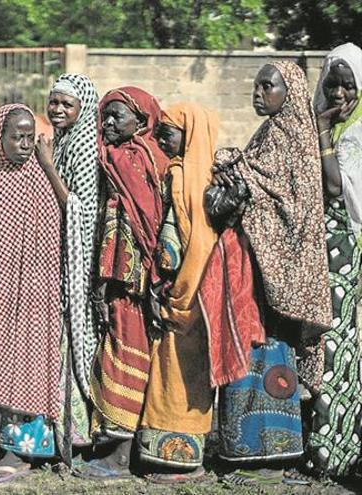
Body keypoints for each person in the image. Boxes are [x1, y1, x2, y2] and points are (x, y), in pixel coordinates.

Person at [210, 61, 330, 485]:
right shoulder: (268, 133)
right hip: (260, 270)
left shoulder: (289, 137)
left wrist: (234, 174)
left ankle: (274, 457)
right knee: (252, 354)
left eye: (268, 86)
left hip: (282, 272)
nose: (258, 93)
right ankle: (244, 452)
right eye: (256, 85)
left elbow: (277, 200)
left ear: (289, 92)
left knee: (273, 358)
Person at [75, 87, 169, 480]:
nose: (108, 123)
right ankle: (112, 443)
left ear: (142, 122)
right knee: (114, 350)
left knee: (128, 354)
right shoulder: (118, 156)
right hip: (115, 277)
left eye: (118, 116)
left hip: (135, 282)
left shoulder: (138, 159)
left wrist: (141, 279)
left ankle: (120, 455)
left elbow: (147, 223)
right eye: (105, 116)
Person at [136, 102, 220, 483]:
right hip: (189, 293)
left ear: (189, 135)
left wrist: (169, 285)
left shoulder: (186, 178)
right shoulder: (198, 175)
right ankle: (171, 457)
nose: (160, 138)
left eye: (168, 131)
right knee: (175, 378)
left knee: (182, 379)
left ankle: (183, 463)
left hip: (186, 294)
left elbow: (187, 243)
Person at [0, 103, 62, 483]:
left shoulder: (44, 176)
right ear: (0, 137)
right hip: (5, 287)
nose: (25, 144)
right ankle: (10, 441)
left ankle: (29, 449)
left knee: (35, 361)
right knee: (7, 361)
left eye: (31, 136)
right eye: (17, 136)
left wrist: (47, 166)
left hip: (40, 290)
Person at [35, 73, 100, 451]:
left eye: (66, 104)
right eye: (54, 101)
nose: (57, 109)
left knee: (76, 339)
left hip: (79, 259)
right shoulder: (62, 140)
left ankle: (77, 434)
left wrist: (47, 165)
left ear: (83, 108)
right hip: (58, 255)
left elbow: (78, 207)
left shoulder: (84, 147)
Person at [308, 42, 361, 479]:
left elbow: (332, 188)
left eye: (349, 86)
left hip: (348, 256)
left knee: (338, 355)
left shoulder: (355, 132)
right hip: (322, 255)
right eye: (333, 84)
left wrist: (323, 129)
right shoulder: (316, 125)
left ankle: (334, 453)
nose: (340, 94)